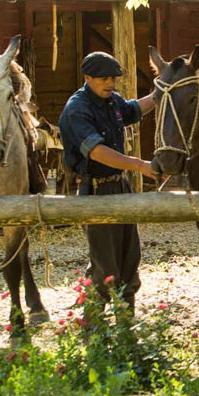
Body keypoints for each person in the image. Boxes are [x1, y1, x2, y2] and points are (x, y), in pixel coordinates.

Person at [58, 51, 157, 312]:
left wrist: (161, 93)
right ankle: (95, 330)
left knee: (129, 256)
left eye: (113, 79)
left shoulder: (112, 101)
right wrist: (140, 166)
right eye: (104, 79)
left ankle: (126, 324)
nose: (110, 84)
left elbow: (134, 110)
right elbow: (97, 152)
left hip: (120, 186)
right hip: (95, 191)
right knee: (104, 263)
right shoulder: (77, 109)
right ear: (87, 77)